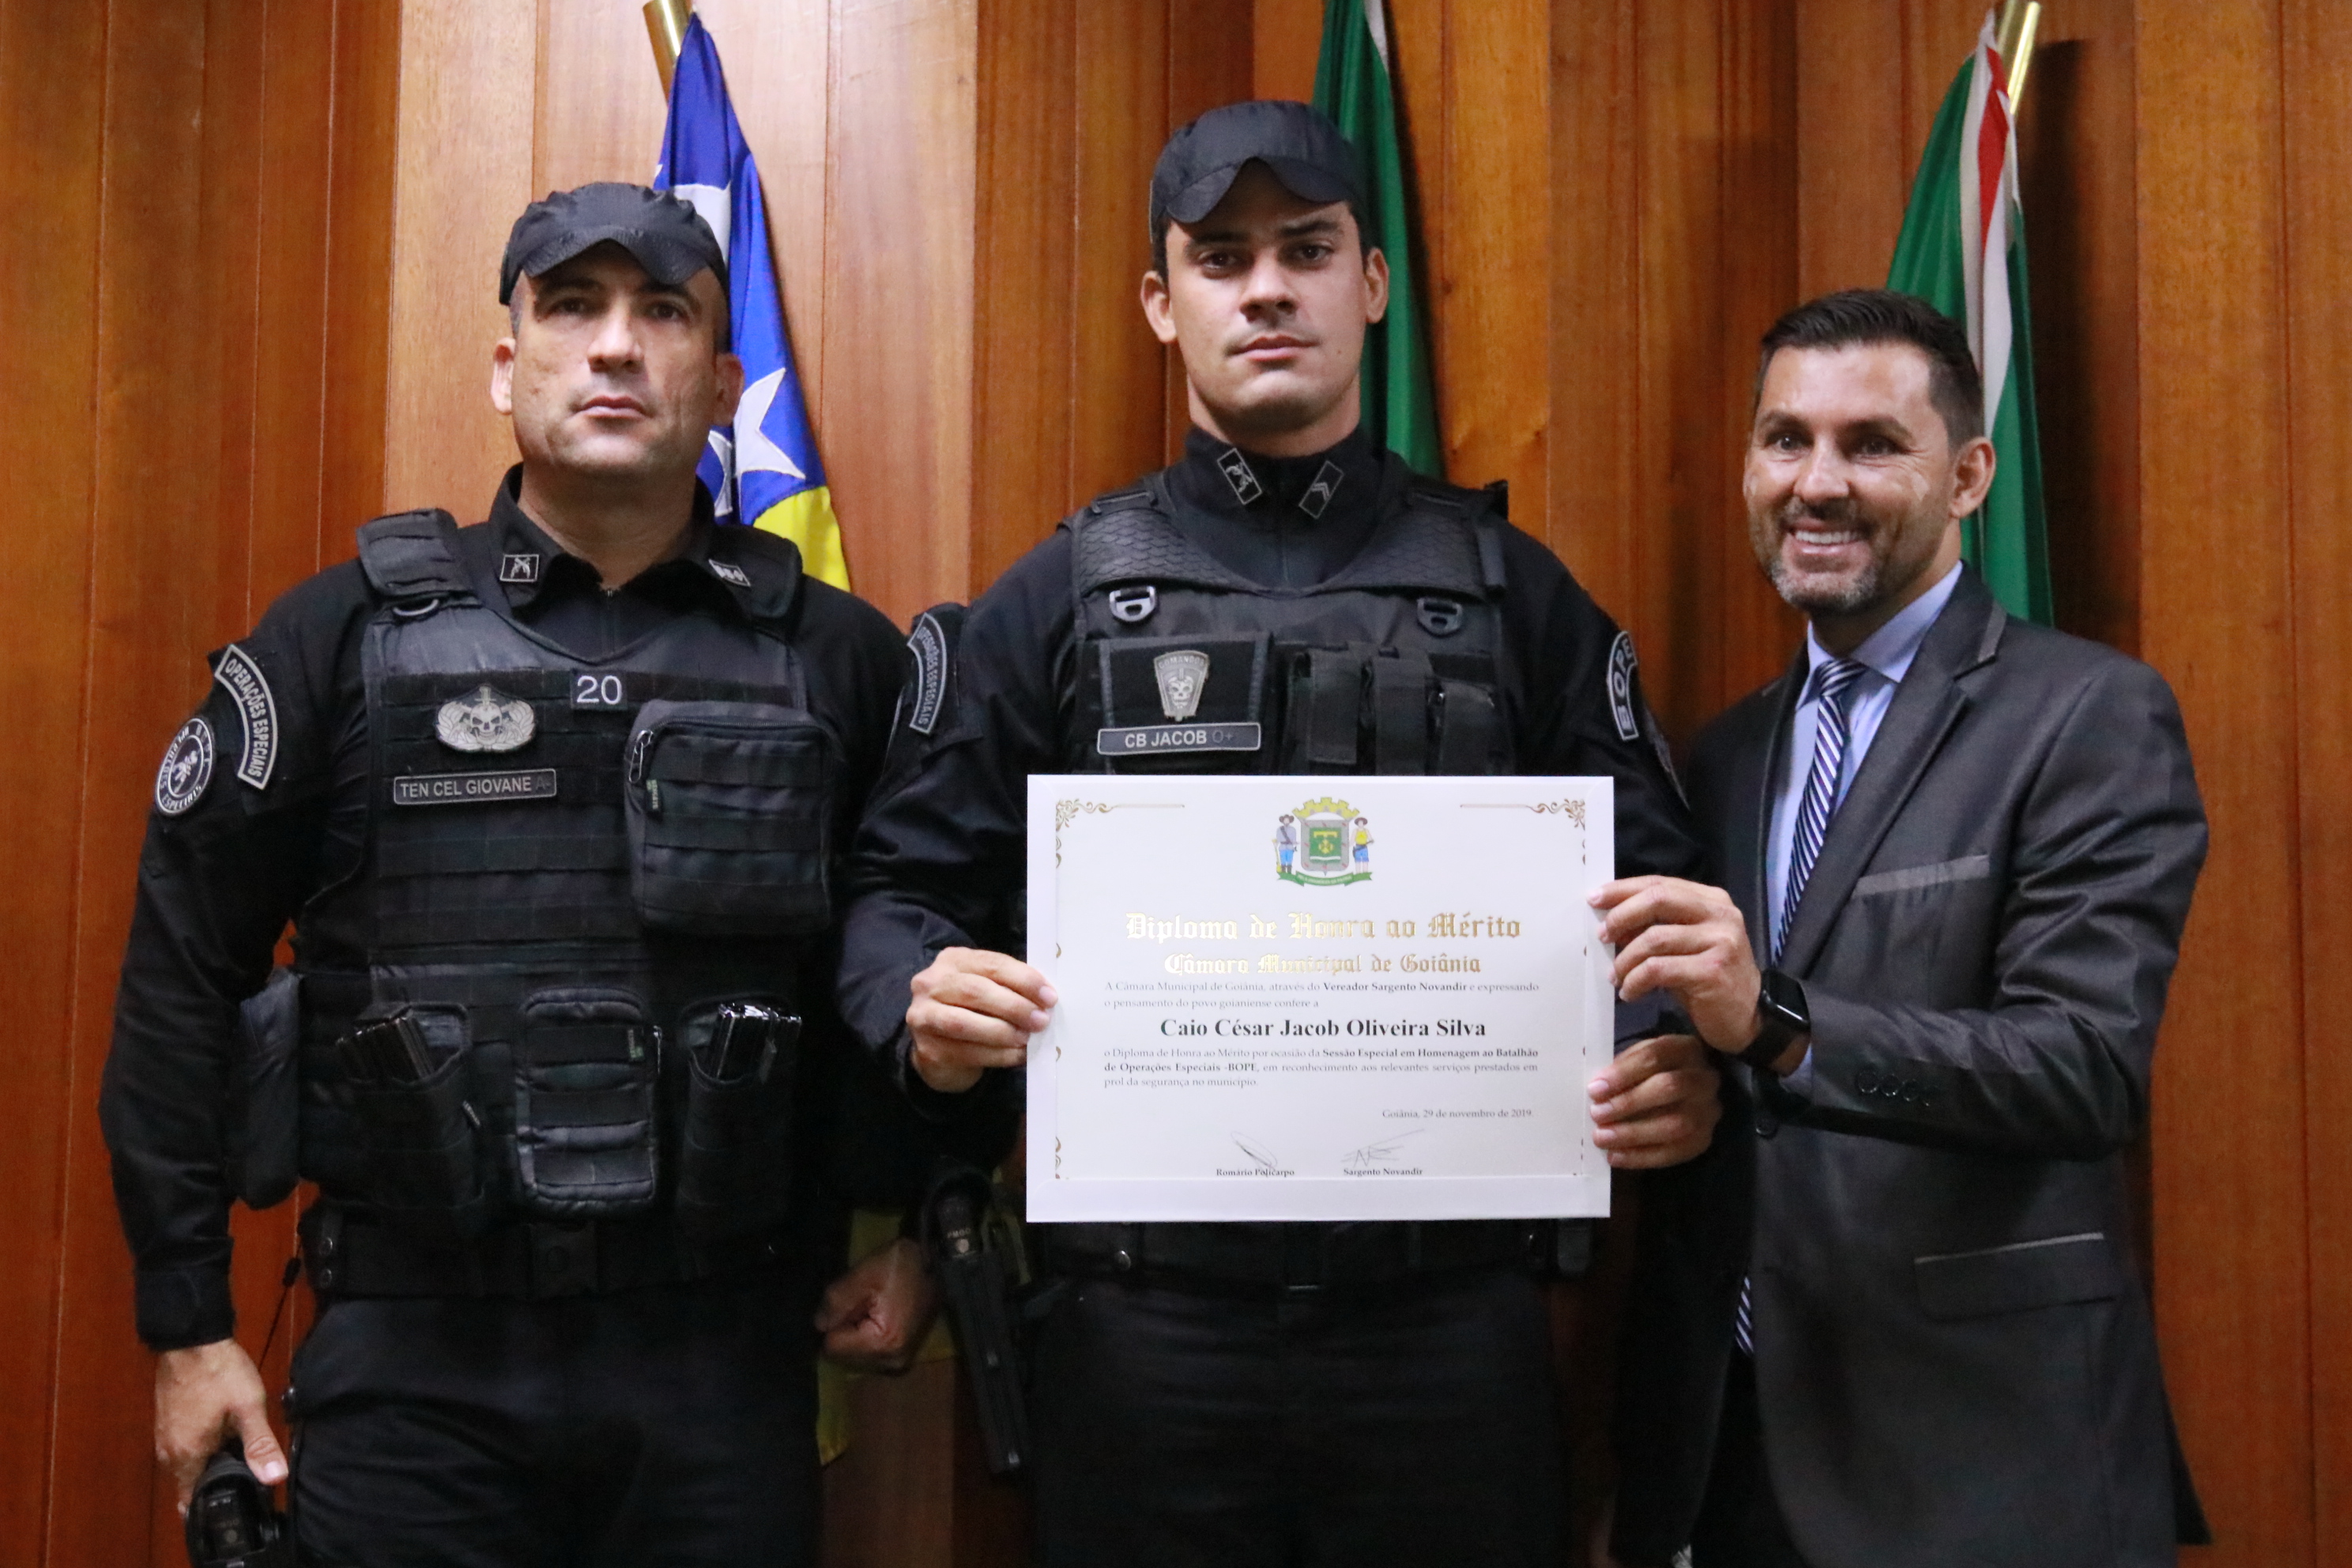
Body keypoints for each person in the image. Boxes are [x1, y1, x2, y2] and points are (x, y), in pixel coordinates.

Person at [839, 100, 1721, 1567]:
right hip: (1142, 1327)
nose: (1267, 290)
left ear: (1371, 283)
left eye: (1307, 250)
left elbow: (1658, 891)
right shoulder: (1057, 598)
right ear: (1161, 302)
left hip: (1448, 1325)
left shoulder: (1515, 593)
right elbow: (894, 896)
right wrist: (923, 1006)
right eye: (1223, 257)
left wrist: (1665, 1049)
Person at [99, 182, 962, 1567]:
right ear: (509, 366)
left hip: (722, 1367)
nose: (615, 346)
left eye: (662, 312)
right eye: (571, 307)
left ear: (722, 384)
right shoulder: (340, 640)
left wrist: (920, 1228)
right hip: (415, 1373)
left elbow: (918, 958)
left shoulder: (840, 661)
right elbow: (179, 976)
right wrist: (187, 1322)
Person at [1595, 289, 2211, 1568]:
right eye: (1786, 440)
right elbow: (1732, 1070)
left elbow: (2083, 1069)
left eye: (1872, 444)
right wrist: (1680, 1079)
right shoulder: (1728, 750)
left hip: (1978, 1463)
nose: (1816, 483)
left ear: (1970, 477)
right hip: (1733, 1455)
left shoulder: (2087, 716)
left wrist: (1776, 1024)